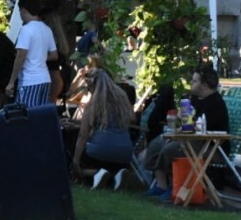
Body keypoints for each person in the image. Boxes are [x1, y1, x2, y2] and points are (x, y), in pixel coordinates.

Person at [143, 66, 229, 202]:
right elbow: (188, 122)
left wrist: (182, 131)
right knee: (156, 144)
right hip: (190, 140)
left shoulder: (216, 104)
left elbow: (201, 128)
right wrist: (179, 121)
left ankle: (174, 187)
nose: (190, 83)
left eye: (194, 81)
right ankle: (161, 185)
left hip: (210, 146)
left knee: (171, 149)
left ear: (205, 85)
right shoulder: (194, 99)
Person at [70, 68, 135, 190]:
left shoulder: (93, 105)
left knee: (82, 164)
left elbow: (83, 135)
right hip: (125, 153)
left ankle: (97, 173)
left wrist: (75, 161)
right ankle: (118, 174)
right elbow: (132, 119)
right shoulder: (123, 100)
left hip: (99, 153)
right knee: (113, 162)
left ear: (91, 85)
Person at [5, 0, 57, 107]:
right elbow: (54, 55)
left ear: (23, 10)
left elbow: (21, 56)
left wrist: (11, 82)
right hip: (45, 79)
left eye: (19, 11)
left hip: (30, 81)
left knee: (26, 117)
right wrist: (39, 56)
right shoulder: (47, 29)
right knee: (40, 117)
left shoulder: (26, 29)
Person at [41, 8, 72, 104]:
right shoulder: (58, 39)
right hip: (55, 78)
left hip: (50, 79)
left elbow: (51, 56)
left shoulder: (50, 38)